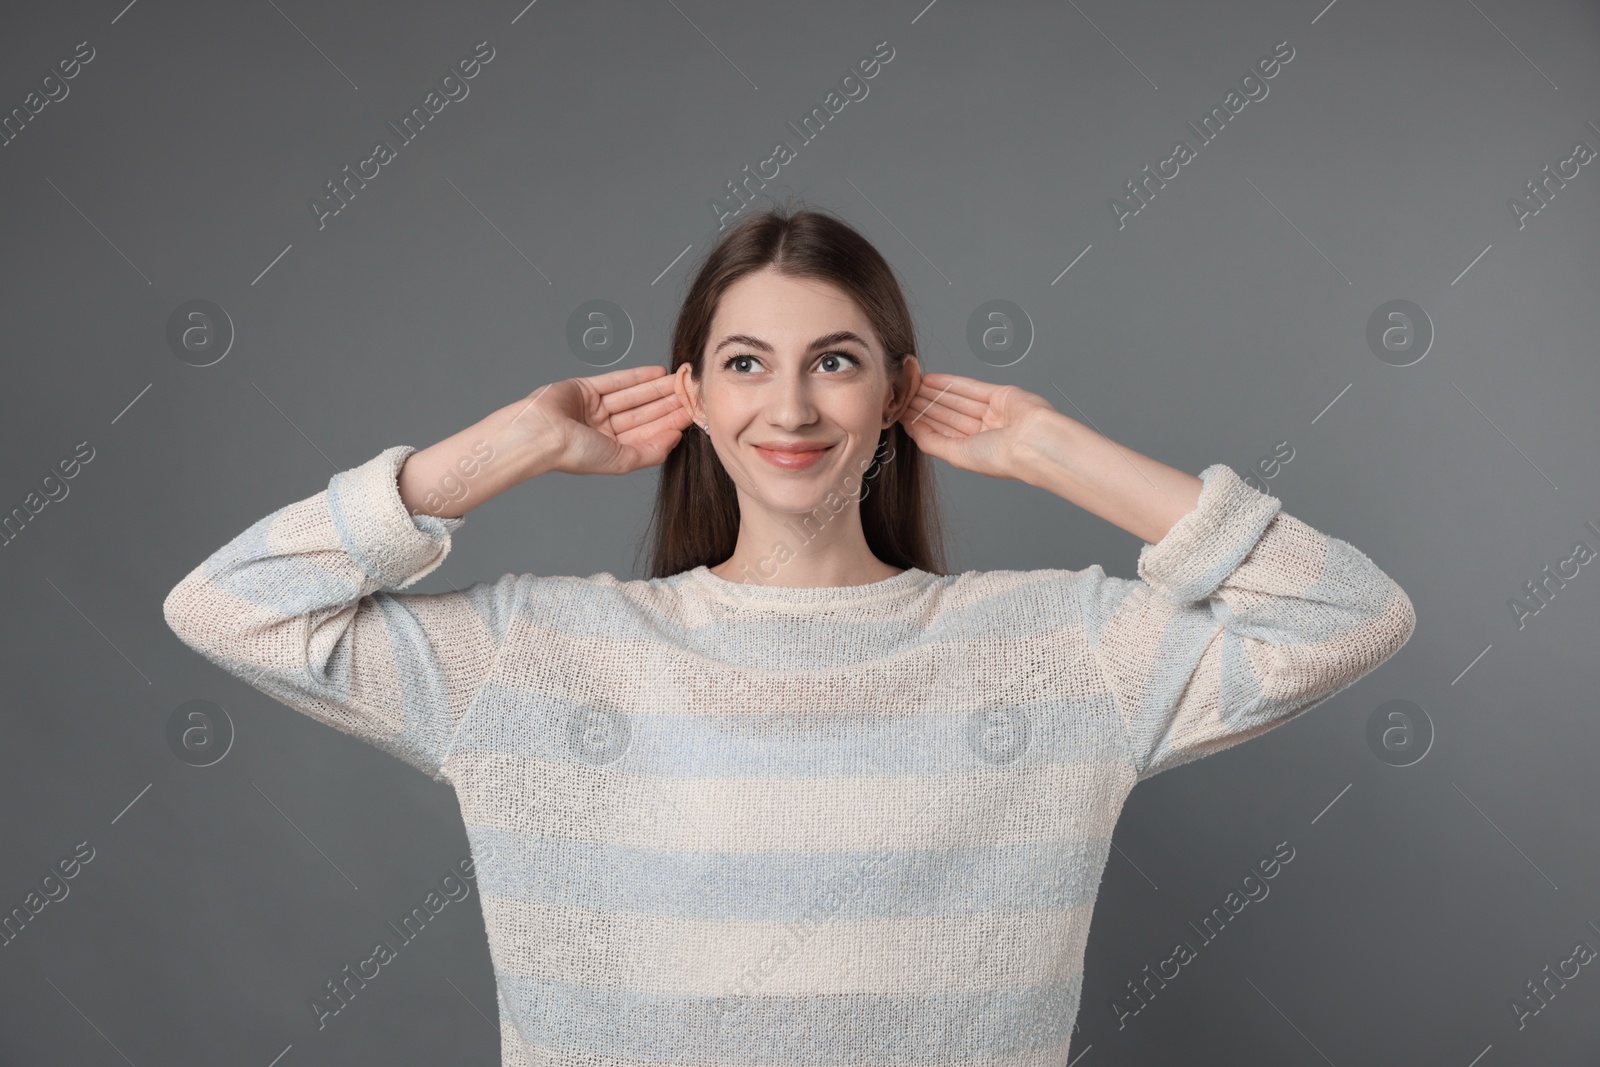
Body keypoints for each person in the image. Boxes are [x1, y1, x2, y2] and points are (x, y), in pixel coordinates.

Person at [163, 207, 1416, 1064]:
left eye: (836, 360)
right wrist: (515, 445)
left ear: (895, 395)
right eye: (748, 362)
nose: (793, 404)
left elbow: (1347, 614)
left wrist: (1055, 451)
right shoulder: (543, 655)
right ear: (695, 395)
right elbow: (229, 604)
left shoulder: (1055, 649)